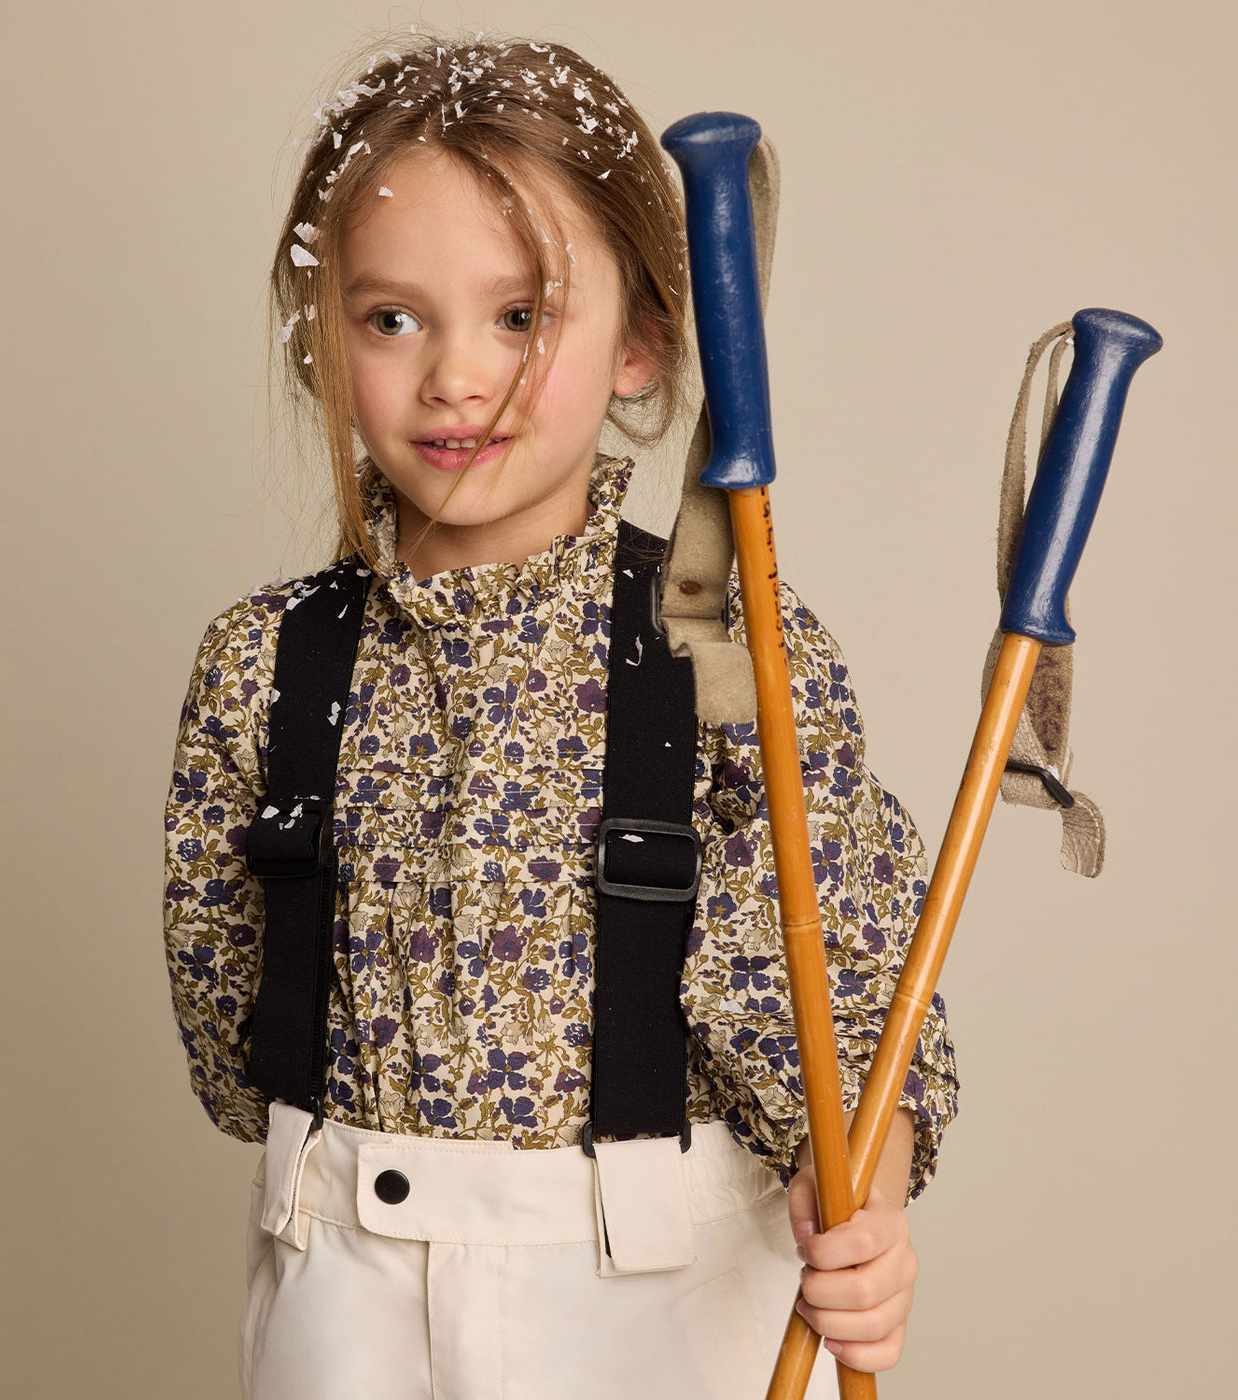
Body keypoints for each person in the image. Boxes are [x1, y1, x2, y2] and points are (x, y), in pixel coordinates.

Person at [163, 30, 957, 1400]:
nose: (456, 376)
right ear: (323, 330)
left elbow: (855, 1045)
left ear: (643, 340)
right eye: (390, 317)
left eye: (522, 314)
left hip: (666, 1314)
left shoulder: (731, 648)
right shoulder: (262, 662)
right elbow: (236, 1051)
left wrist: (866, 1220)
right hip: (340, 1301)